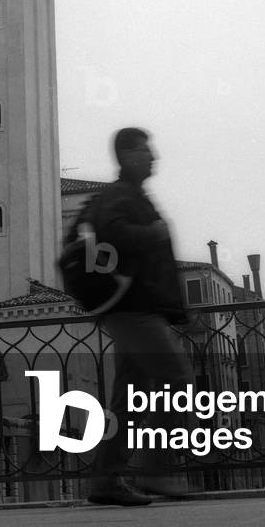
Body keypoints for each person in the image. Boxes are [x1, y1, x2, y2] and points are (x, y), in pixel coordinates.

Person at [87, 126, 191, 507]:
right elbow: (110, 232)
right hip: (133, 310)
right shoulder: (120, 196)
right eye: (147, 151)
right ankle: (155, 470)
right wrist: (152, 233)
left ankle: (105, 480)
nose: (154, 157)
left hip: (135, 310)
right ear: (129, 155)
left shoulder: (131, 195)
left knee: (127, 401)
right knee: (176, 380)